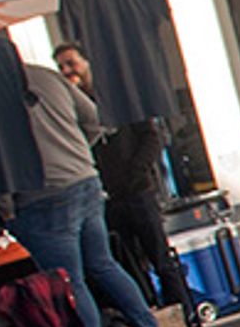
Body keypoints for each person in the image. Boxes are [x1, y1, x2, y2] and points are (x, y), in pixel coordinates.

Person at [8, 53, 176, 327]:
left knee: (70, 283)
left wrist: (5, 205)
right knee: (103, 265)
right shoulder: (46, 76)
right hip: (84, 181)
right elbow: (96, 119)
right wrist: (77, 151)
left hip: (44, 194)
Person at [56, 44, 188, 313]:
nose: (68, 71)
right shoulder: (70, 108)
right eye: (62, 67)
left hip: (137, 191)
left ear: (87, 61)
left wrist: (136, 171)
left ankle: (184, 312)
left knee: (160, 257)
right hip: (105, 197)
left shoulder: (119, 98)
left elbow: (151, 136)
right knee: (127, 263)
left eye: (72, 63)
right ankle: (153, 314)